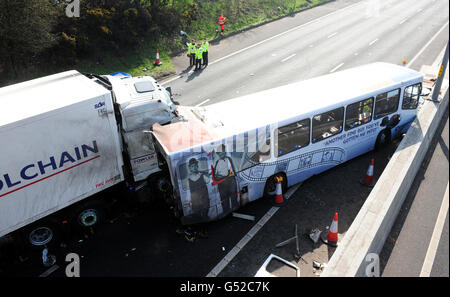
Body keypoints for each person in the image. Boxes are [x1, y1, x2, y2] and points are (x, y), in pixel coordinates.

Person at [213, 145, 239, 215]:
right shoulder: (217, 163)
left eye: (223, 152)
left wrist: (235, 174)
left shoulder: (229, 159)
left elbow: (233, 168)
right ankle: (226, 211)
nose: (222, 154)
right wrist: (221, 176)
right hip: (222, 183)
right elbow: (215, 176)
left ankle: (235, 208)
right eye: (220, 153)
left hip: (231, 180)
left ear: (225, 151)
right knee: (224, 199)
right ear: (218, 154)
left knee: (234, 195)